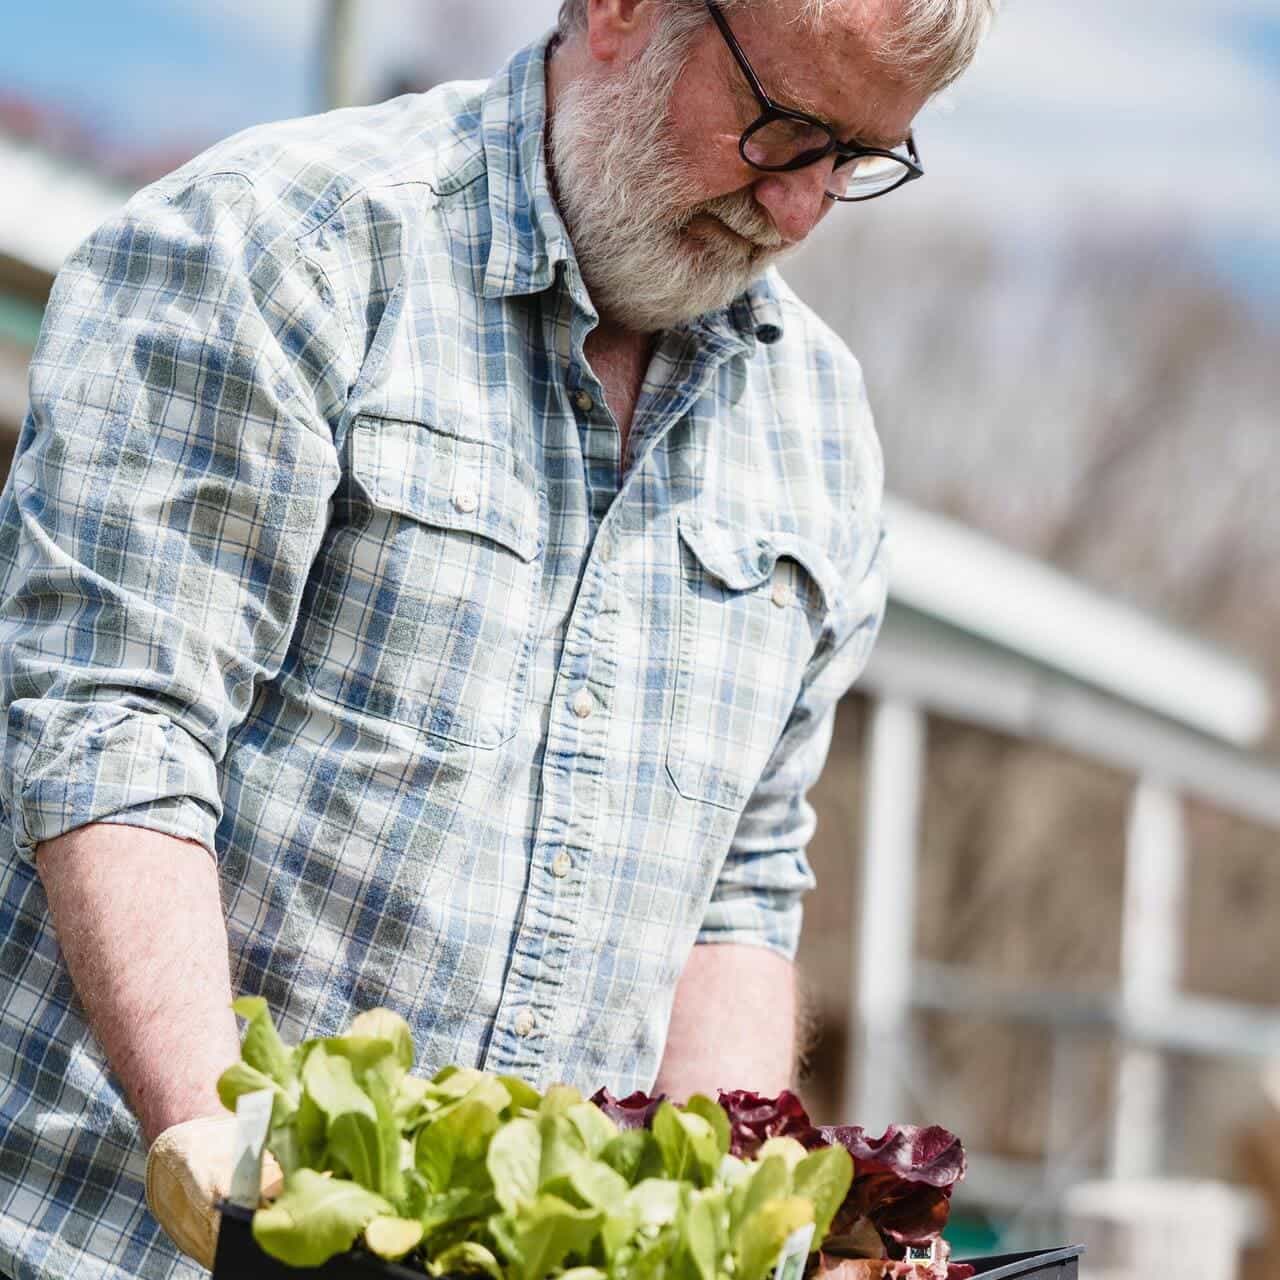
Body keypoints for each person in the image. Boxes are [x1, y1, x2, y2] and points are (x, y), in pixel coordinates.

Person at [0, 0, 997, 1275]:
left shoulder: (815, 426)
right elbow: (114, 722)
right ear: (621, 12)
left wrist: (728, 1231)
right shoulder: (280, 245)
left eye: (852, 159)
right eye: (783, 127)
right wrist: (239, 1181)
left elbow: (740, 885)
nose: (796, 209)